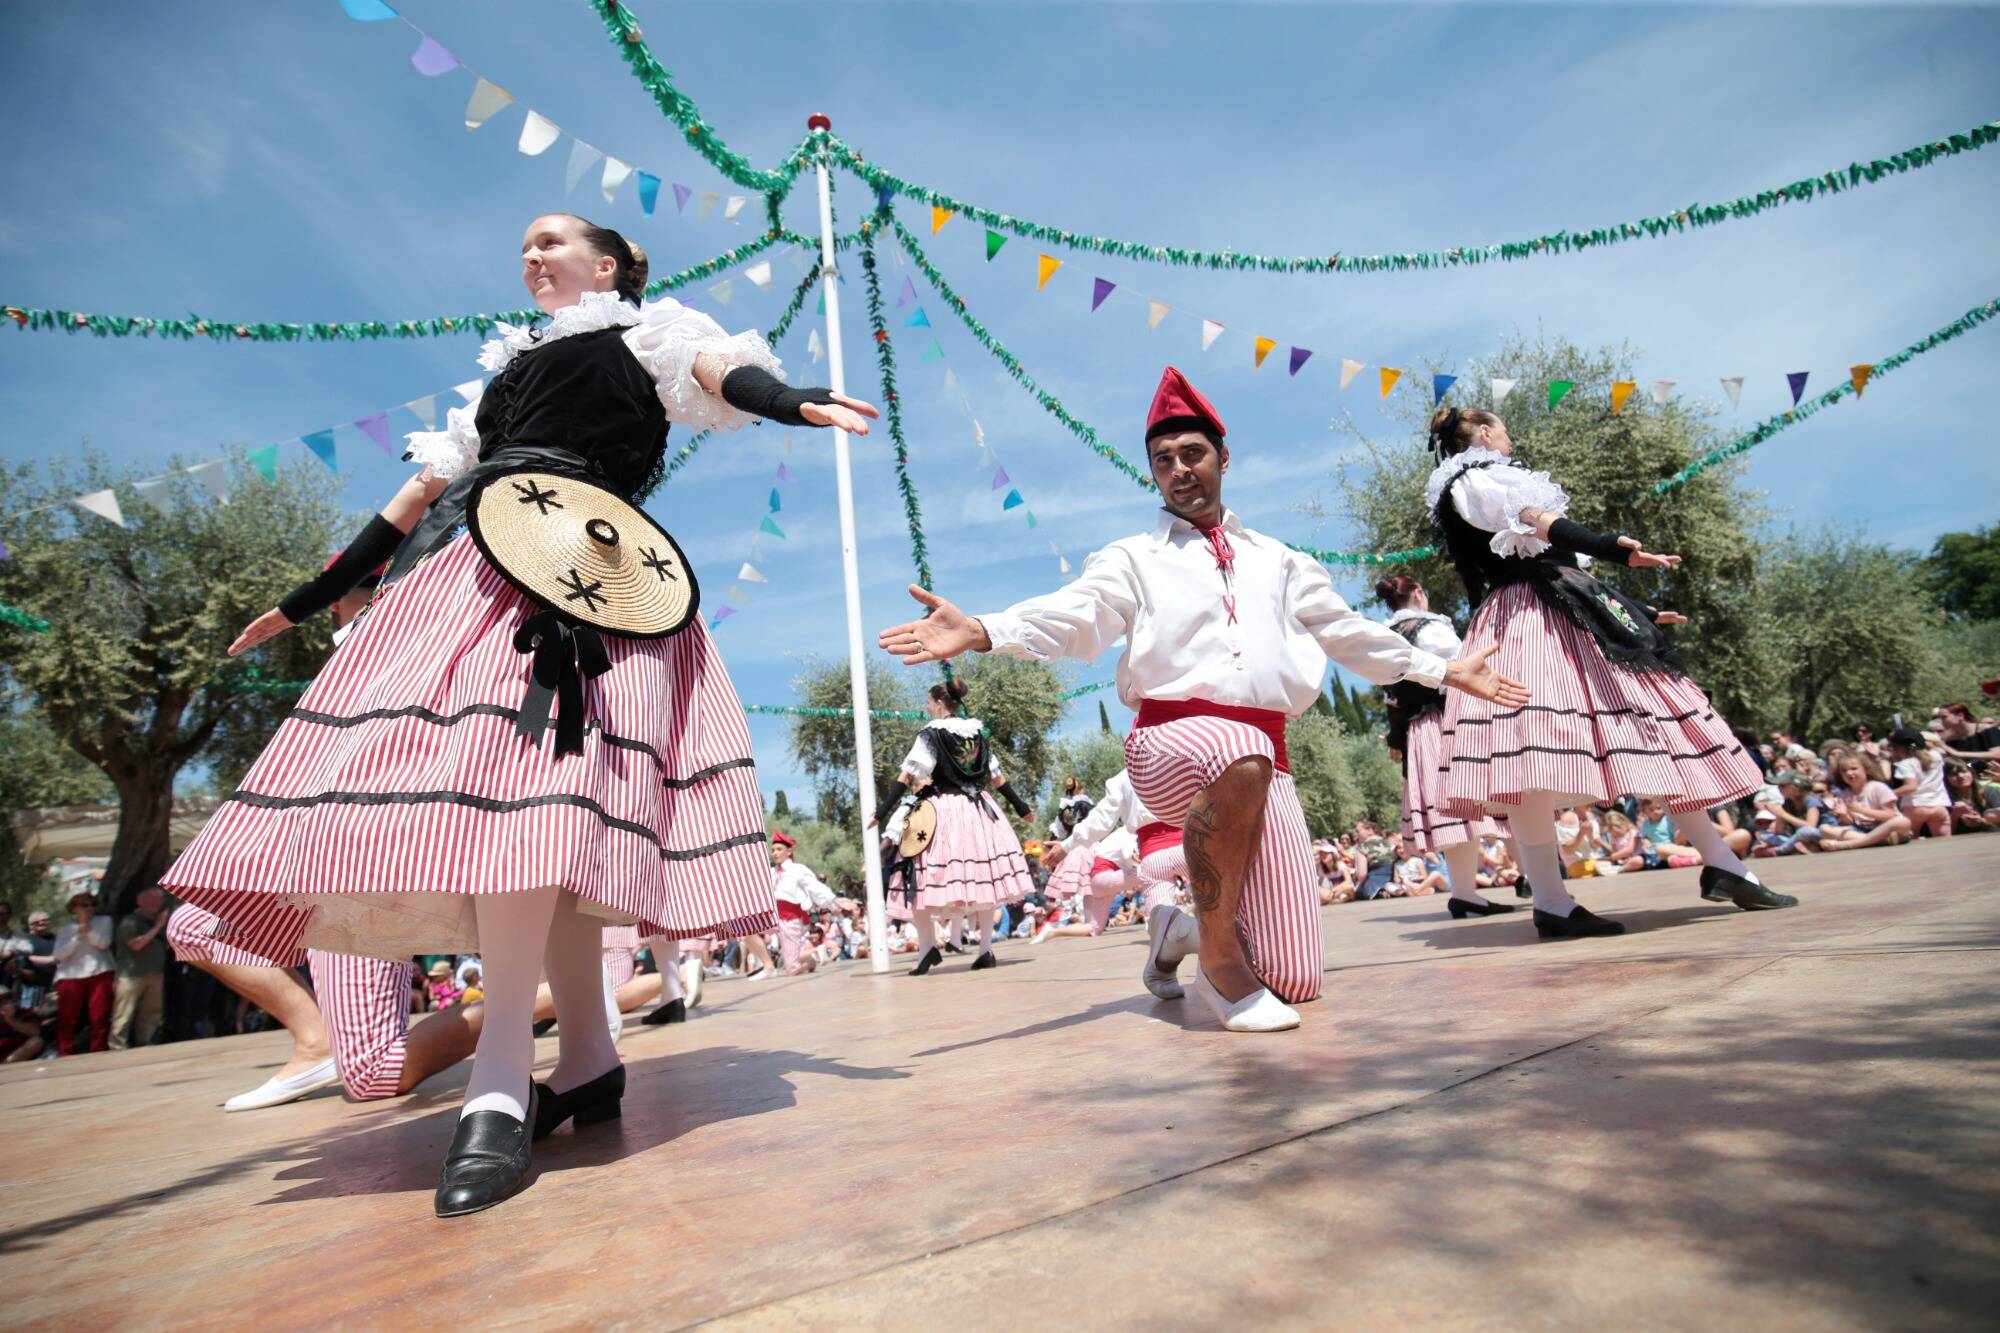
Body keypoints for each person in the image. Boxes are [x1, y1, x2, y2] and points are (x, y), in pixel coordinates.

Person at [160, 212, 876, 1217]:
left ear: (612, 263)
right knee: (524, 813)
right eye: (524, 246)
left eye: (554, 240)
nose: (532, 255)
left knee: (529, 808)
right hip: (475, 568)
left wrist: (792, 399)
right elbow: (411, 501)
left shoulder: (648, 330)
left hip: (587, 569)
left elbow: (719, 373)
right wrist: (307, 601)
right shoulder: (499, 377)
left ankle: (501, 1078)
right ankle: (584, 1056)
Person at [878, 367, 1523, 1032]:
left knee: (1296, 977)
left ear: (1223, 456)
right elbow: (1076, 615)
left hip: (1264, 756)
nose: (1179, 469)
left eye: (1192, 453)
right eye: (1163, 460)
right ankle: (1219, 967)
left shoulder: (1281, 560)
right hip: (1167, 741)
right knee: (1232, 748)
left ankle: (1179, 934)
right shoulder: (1132, 558)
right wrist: (985, 629)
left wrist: (1443, 669)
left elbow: (1349, 633)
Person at [1422, 406, 1792, 938]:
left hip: (1556, 612)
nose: (1509, 433)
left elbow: (1557, 566)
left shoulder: (1477, 482)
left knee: (1652, 731)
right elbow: (1534, 520)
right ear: (1483, 433)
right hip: (1530, 620)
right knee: (1529, 758)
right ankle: (1551, 899)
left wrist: (1634, 612)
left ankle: (1724, 866)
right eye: (1503, 425)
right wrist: (1610, 546)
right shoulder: (1477, 480)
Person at [872, 678, 1037, 976]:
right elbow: (998, 778)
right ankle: (985, 949)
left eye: (928, 703)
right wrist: (1021, 807)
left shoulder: (931, 734)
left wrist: (882, 811)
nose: (928, 708)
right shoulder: (977, 733)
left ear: (937, 703)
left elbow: (907, 775)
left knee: (915, 874)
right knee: (983, 875)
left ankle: (927, 948)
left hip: (944, 810)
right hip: (979, 810)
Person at [1375, 574, 1517, 917]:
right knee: (1482, 800)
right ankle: (1521, 879)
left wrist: (1396, 739)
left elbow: (1392, 699)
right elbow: (1466, 669)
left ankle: (1467, 893)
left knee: (1456, 812)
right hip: (1446, 719)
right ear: (1419, 592)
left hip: (1418, 729)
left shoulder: (1386, 639)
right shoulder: (1429, 629)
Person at [110, 887, 171, 1050]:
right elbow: (136, 944)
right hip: (131, 975)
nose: (155, 904)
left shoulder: (159, 922)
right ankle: (117, 1047)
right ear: (140, 902)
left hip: (155, 973)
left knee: (151, 1013)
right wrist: (158, 927)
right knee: (123, 1014)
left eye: (158, 901)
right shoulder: (130, 921)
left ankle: (146, 1044)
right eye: (151, 901)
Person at [768, 833, 837, 975]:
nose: (775, 853)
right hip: (773, 918)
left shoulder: (797, 870)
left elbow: (815, 887)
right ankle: (767, 964)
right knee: (746, 930)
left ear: (789, 852)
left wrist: (834, 902)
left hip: (792, 919)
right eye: (773, 849)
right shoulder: (771, 872)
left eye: (779, 849)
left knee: (791, 969)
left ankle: (811, 962)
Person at [1823, 755, 1913, 849]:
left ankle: (1851, 844)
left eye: (1854, 769)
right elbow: (1851, 823)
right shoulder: (1844, 793)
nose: (1849, 773)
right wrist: (1844, 815)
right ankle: (1879, 841)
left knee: (1903, 822)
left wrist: (1861, 810)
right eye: (1844, 770)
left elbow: (1890, 815)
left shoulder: (1878, 787)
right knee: (1824, 829)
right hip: (1864, 831)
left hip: (1888, 829)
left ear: (1866, 769)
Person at [1888, 726, 1951, 838]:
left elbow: (1911, 787)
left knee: (1909, 842)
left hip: (1915, 806)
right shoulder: (1937, 757)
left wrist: (1889, 793)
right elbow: (1936, 745)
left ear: (1899, 748)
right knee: (1946, 842)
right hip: (1939, 805)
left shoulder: (1906, 764)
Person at [1945, 761, 2000, 833]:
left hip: (1992, 836)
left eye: (1964, 771)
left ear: (1971, 773)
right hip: (1962, 841)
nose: (1960, 776)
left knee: (1989, 814)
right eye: (1953, 774)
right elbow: (1944, 834)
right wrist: (1954, 816)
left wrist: (1982, 822)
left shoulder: (1988, 791)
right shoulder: (1944, 799)